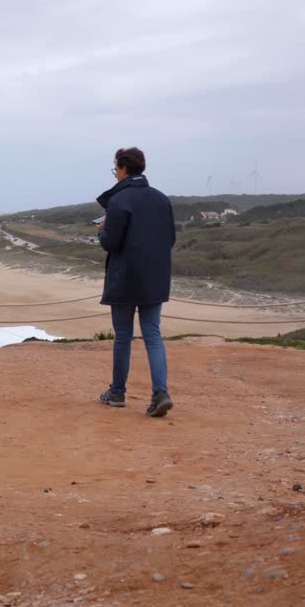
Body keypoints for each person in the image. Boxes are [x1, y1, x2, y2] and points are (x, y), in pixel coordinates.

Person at [95, 147, 176, 417]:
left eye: (115, 169)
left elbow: (111, 242)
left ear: (124, 168)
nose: (115, 174)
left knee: (123, 336)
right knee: (153, 334)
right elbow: (170, 239)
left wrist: (102, 231)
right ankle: (160, 392)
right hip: (155, 278)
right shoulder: (161, 199)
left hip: (125, 279)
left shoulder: (119, 200)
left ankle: (117, 393)